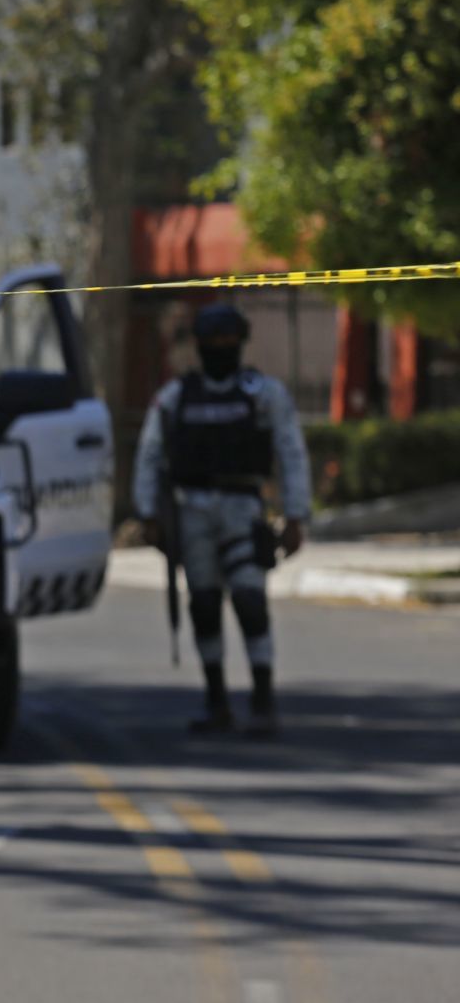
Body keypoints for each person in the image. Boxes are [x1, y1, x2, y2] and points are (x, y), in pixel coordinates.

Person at [133, 303, 310, 735]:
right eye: (212, 343)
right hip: (191, 510)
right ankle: (216, 701)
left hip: (243, 508)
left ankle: (263, 699)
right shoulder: (177, 397)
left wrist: (295, 514)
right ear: (199, 346)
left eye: (228, 342)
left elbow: (290, 452)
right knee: (205, 604)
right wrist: (148, 514)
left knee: (250, 600)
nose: (220, 350)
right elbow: (150, 455)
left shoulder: (262, 393)